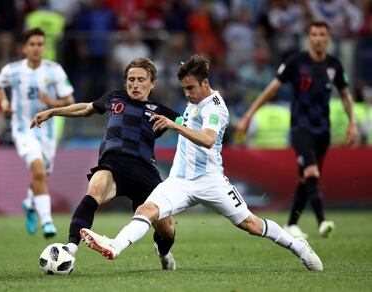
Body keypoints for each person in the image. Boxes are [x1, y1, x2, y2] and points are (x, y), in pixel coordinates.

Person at [79, 54, 323, 272]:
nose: (187, 94)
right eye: (184, 89)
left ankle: (298, 247)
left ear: (206, 84)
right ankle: (115, 245)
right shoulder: (195, 97)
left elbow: (208, 139)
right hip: (180, 181)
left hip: (210, 181)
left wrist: (174, 125)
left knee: (251, 224)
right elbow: (193, 77)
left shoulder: (216, 109)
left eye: (191, 88)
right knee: (145, 210)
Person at [30, 58, 179, 270]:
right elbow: (86, 109)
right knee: (94, 190)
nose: (135, 84)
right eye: (131, 79)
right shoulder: (114, 97)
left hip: (145, 169)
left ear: (152, 83)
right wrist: (52, 112)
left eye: (141, 80)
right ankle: (70, 248)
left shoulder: (162, 111)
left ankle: (163, 252)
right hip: (114, 160)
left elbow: (189, 127)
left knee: (166, 230)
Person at [236, 21, 358, 239]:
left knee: (306, 178)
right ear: (308, 38)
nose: (318, 38)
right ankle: (322, 221)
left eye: (322, 34)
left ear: (328, 38)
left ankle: (292, 224)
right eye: (314, 34)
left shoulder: (334, 65)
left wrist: (352, 123)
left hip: (323, 129)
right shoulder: (296, 62)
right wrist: (248, 115)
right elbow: (271, 90)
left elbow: (345, 96)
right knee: (312, 172)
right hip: (300, 128)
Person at [0, 28, 75, 238]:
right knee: (38, 170)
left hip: (47, 132)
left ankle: (29, 203)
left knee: (42, 175)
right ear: (24, 48)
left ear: (45, 48)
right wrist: (3, 101)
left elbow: (69, 101)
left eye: (40, 44)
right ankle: (47, 221)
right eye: (32, 44)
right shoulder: (13, 70)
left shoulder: (54, 70)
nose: (36, 48)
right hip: (23, 129)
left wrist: (51, 102)